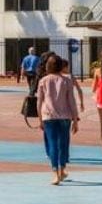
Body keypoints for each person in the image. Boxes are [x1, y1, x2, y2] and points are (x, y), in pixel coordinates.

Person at [36, 55, 80, 185]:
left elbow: (39, 102)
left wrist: (40, 119)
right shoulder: (66, 81)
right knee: (64, 144)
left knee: (53, 144)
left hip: (48, 116)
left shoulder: (43, 81)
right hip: (65, 116)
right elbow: (72, 101)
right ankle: (62, 169)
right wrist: (75, 119)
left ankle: (55, 172)